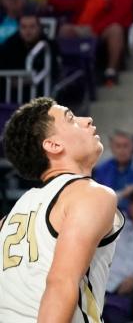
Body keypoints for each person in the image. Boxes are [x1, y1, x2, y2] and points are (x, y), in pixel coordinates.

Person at [0, 97, 124, 321]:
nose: (87, 120)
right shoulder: (90, 194)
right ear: (53, 145)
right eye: (71, 119)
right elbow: (60, 283)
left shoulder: (10, 218)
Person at [48, 0, 133, 86]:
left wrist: (96, 29)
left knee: (115, 29)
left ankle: (111, 71)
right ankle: (62, 70)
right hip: (84, 28)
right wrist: (51, 1)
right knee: (65, 29)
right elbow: (75, 3)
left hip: (102, 29)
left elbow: (118, 16)